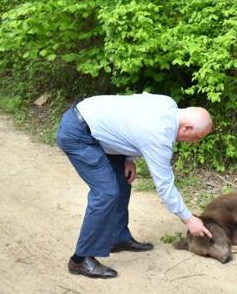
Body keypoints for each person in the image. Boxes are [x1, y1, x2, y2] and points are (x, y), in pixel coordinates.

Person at [56, 93, 214, 279]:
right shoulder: (159, 136)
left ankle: (118, 238)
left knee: (122, 182)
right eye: (196, 137)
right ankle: (80, 259)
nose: (194, 142)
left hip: (99, 128)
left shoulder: (167, 104)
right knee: (106, 193)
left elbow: (130, 117)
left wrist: (128, 158)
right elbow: (165, 186)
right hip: (79, 135)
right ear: (187, 128)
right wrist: (189, 220)